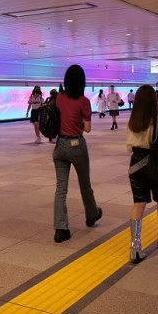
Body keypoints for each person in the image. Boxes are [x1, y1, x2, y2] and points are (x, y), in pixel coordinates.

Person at [126, 85, 158, 263]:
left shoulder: (132, 120)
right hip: (155, 165)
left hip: (135, 166)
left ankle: (135, 246)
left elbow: (128, 148)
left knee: (139, 204)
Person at [53, 65, 102, 243]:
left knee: (60, 189)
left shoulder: (58, 97)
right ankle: (91, 215)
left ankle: (60, 229)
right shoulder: (83, 101)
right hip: (76, 146)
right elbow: (87, 129)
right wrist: (77, 125)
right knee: (84, 184)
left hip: (59, 146)